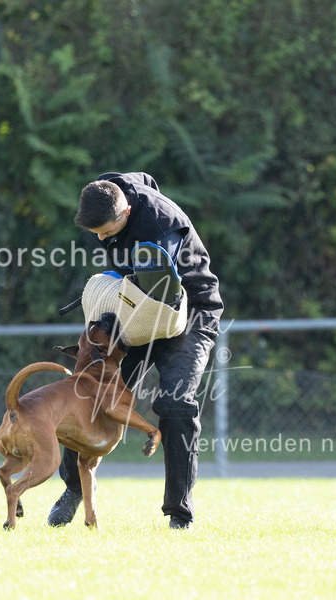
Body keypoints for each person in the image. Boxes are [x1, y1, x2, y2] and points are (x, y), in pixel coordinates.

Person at [47, 172, 224, 529]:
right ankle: (73, 487)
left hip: (186, 312)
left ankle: (179, 513)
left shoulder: (161, 227)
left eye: (106, 232)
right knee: (88, 389)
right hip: (134, 304)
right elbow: (143, 180)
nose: (100, 239)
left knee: (176, 404)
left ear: (126, 212)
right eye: (95, 233)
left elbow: (160, 291)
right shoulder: (106, 195)